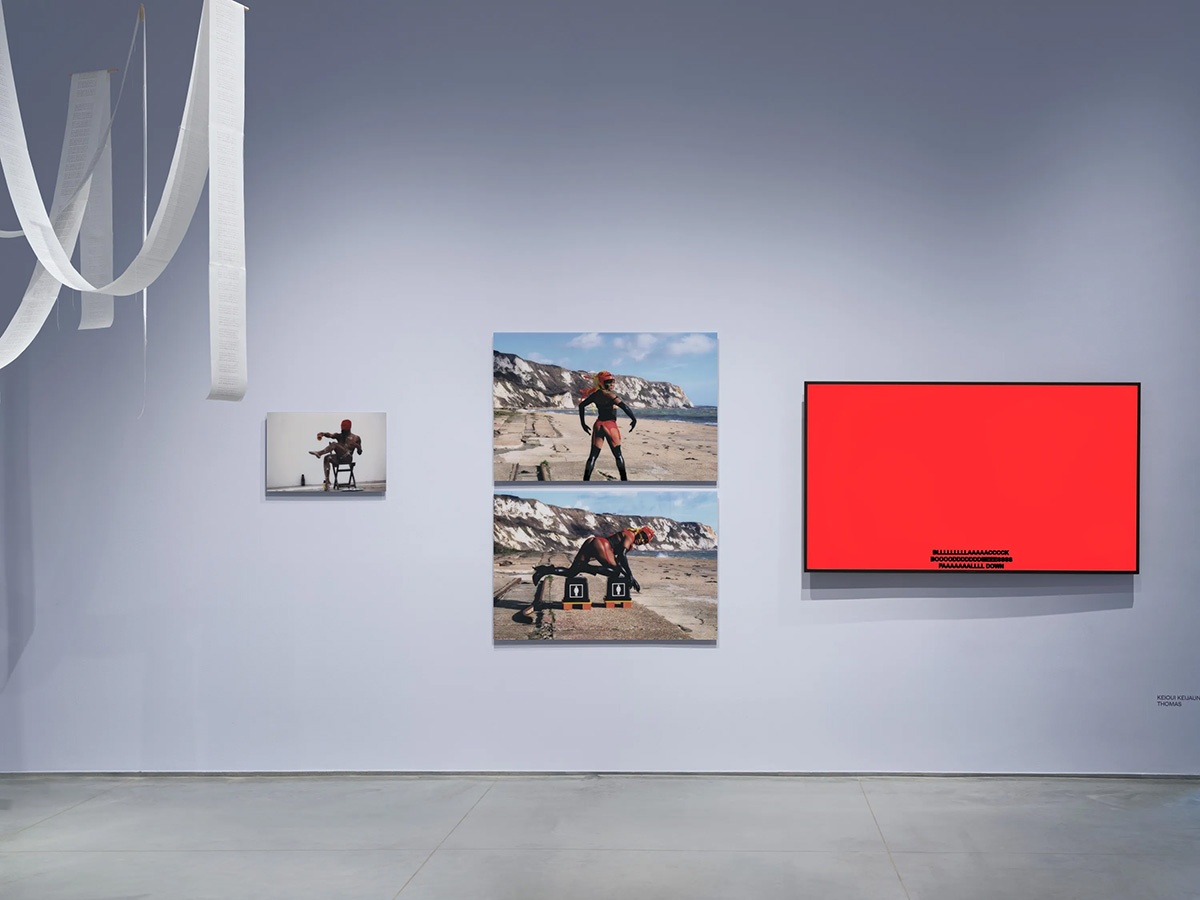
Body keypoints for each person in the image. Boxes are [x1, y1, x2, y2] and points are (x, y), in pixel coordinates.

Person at [517, 525, 656, 621]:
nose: (642, 540)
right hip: (601, 545)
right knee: (614, 572)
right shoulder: (630, 535)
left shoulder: (629, 535)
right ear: (639, 531)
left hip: (592, 542)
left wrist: (629, 576)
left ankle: (544, 570)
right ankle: (587, 568)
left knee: (572, 572)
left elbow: (619, 558)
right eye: (643, 536)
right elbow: (622, 555)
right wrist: (630, 576)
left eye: (645, 540)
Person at [578, 371, 637, 481]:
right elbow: (625, 407)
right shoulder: (611, 396)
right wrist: (634, 419)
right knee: (618, 456)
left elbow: (581, 406)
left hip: (598, 425)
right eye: (609, 382)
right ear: (602, 383)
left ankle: (585, 481)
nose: (611, 384)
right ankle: (624, 480)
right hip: (610, 426)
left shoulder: (595, 395)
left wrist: (583, 423)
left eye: (612, 382)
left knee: (593, 456)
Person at [309, 418, 363, 491]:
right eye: (342, 430)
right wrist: (323, 434)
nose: (343, 431)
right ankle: (327, 481)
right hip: (339, 458)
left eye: (345, 430)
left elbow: (360, 453)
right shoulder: (339, 436)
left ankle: (320, 453)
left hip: (348, 458)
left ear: (349, 429)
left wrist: (357, 446)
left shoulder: (356, 438)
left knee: (334, 444)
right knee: (327, 457)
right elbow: (330, 435)